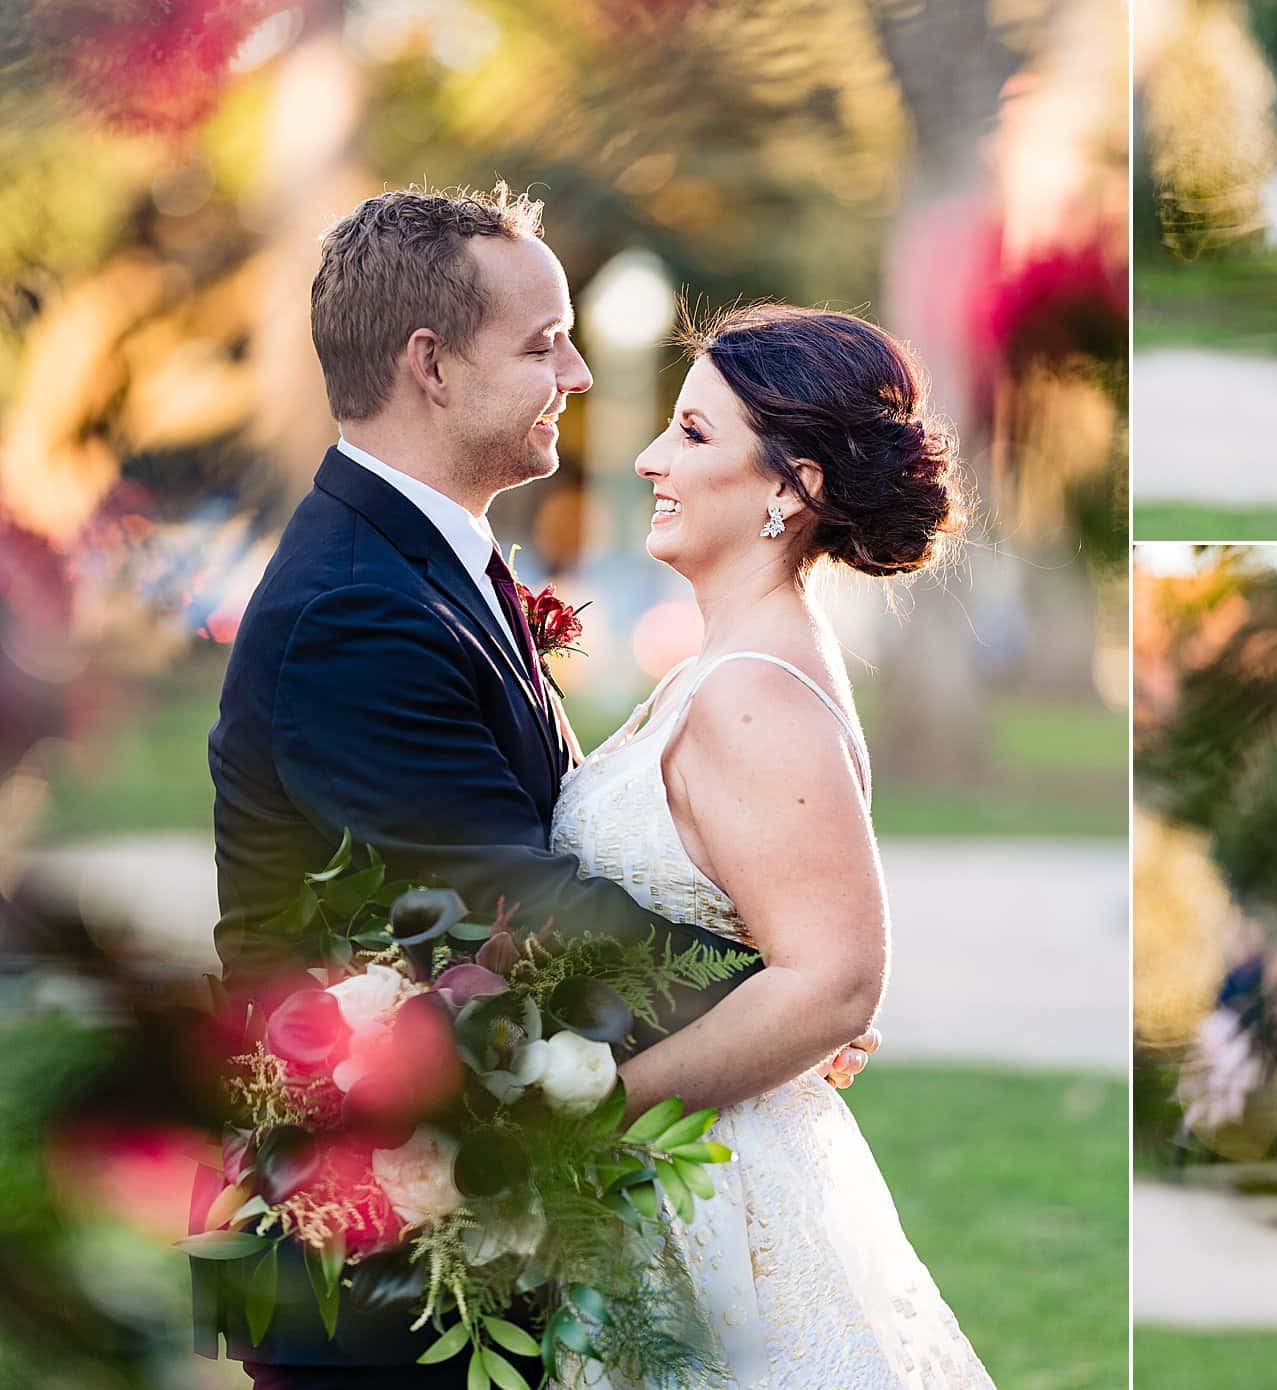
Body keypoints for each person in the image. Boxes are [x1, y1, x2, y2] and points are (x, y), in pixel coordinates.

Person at [205, 187, 873, 1387]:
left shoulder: (433, 563)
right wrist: (778, 978)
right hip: (370, 1238)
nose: (574, 370)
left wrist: (802, 977)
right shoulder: (357, 606)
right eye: (541, 340)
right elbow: (510, 904)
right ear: (432, 366)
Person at [553, 301, 992, 1387]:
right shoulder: (732, 661)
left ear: (792, 489)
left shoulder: (756, 691)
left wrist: (600, 1111)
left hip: (718, 1189)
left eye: (695, 435)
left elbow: (835, 979)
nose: (653, 455)